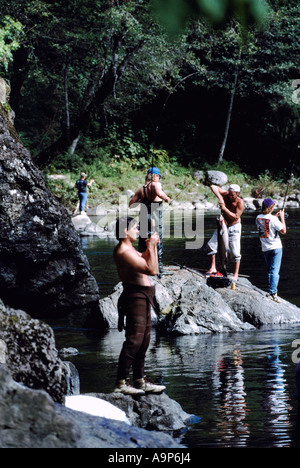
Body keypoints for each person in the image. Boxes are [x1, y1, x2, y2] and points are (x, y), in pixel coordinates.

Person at [113, 216, 166, 396]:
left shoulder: (131, 250)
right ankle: (121, 382)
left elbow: (151, 264)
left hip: (144, 295)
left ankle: (140, 380)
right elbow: (152, 270)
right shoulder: (123, 251)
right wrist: (150, 246)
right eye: (135, 227)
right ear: (125, 231)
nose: (138, 230)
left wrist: (153, 246)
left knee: (144, 340)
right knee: (134, 340)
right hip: (135, 296)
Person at [129, 167, 171, 276]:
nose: (159, 179)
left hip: (143, 214)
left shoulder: (141, 189)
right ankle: (159, 267)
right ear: (156, 176)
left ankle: (143, 264)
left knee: (143, 238)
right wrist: (167, 198)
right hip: (155, 215)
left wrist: (141, 199)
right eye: (159, 176)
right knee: (157, 237)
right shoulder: (156, 184)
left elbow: (131, 204)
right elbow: (159, 193)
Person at [207, 183, 245, 282]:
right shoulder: (226, 195)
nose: (231, 196)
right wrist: (220, 197)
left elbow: (236, 217)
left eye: (233, 195)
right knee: (211, 245)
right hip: (223, 225)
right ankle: (213, 268)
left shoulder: (240, 203)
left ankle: (235, 275)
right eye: (230, 194)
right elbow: (213, 187)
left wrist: (224, 209)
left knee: (235, 253)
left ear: (238, 194)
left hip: (234, 227)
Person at [256, 198, 286, 302]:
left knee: (270, 270)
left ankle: (269, 290)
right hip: (276, 247)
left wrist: (275, 217)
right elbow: (283, 230)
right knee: (275, 271)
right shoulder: (273, 219)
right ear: (271, 207)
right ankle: (273, 293)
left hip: (265, 248)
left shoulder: (258, 217)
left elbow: (267, 221)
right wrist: (282, 218)